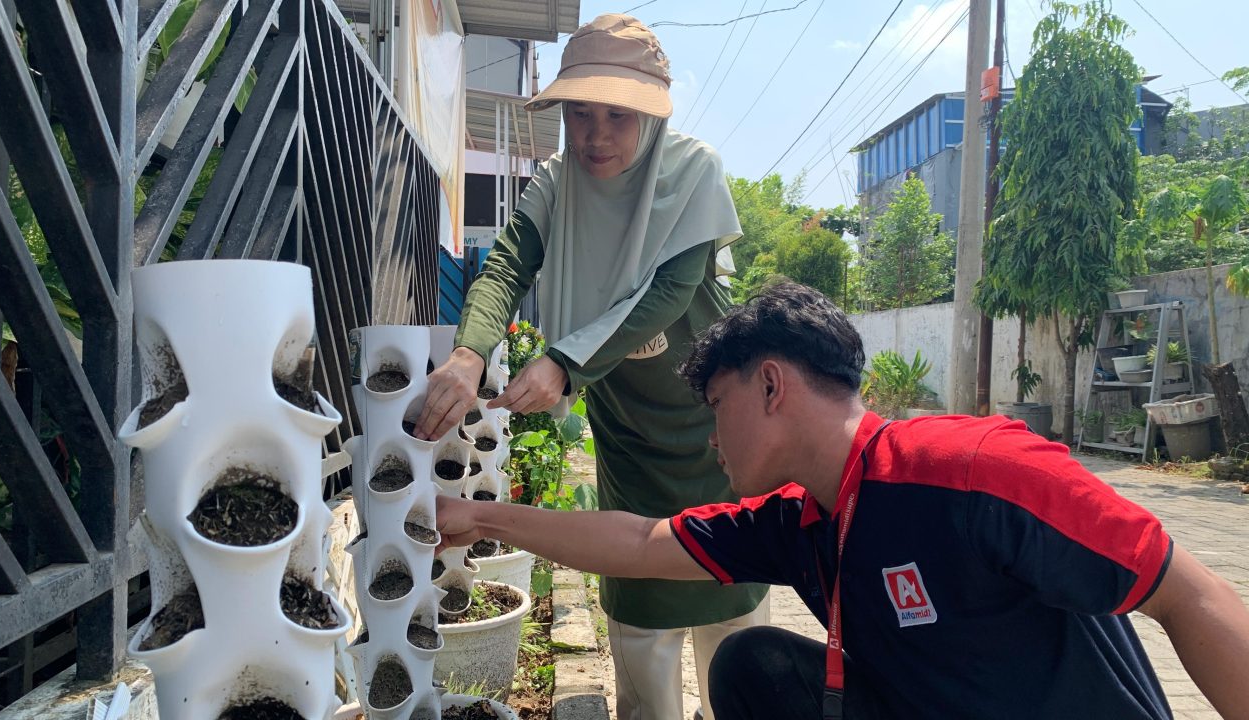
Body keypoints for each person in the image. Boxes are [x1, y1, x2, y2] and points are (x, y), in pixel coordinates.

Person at [435, 281, 1249, 719]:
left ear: (772, 385)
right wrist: (479, 517)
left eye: (716, 408)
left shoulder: (974, 467)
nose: (713, 441)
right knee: (755, 668)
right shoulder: (800, 519)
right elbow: (644, 543)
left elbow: (1190, 592)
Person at [413, 14, 769, 719]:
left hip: (719, 428)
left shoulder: (693, 172)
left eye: (617, 116)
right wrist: (466, 354)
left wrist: (564, 364)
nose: (595, 136)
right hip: (628, 424)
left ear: (651, 117)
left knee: (734, 608)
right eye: (580, 114)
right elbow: (508, 262)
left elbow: (669, 291)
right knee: (640, 601)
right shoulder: (556, 182)